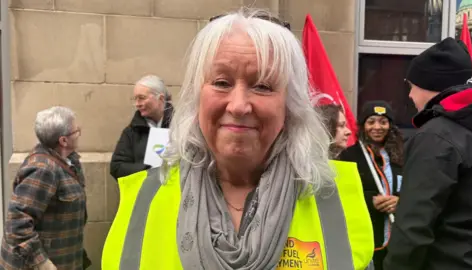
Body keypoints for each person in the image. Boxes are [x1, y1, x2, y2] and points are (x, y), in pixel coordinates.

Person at [102, 9, 374, 270]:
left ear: (291, 106)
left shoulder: (334, 199)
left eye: (263, 86)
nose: (239, 106)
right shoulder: (144, 200)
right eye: (221, 82)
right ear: (197, 97)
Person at [384, 37, 472, 270]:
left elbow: (414, 225)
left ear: (430, 84)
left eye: (411, 85)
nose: (409, 95)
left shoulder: (436, 137)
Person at [0, 106, 90, 270]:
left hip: (63, 257)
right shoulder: (43, 169)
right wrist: (42, 263)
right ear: (63, 141)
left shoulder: (68, 160)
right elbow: (16, 224)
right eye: (76, 131)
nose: (79, 134)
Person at [339, 100, 404, 270]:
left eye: (383, 122)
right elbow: (342, 194)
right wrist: (370, 201)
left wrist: (399, 201)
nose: (377, 127)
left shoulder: (402, 155)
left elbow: (415, 187)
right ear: (363, 126)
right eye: (371, 121)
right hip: (366, 239)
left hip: (397, 240)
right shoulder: (348, 156)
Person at [110, 75, 174, 179]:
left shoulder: (180, 127)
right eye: (135, 99)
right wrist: (147, 169)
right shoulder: (132, 131)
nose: (137, 104)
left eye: (141, 98)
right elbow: (117, 167)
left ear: (161, 99)